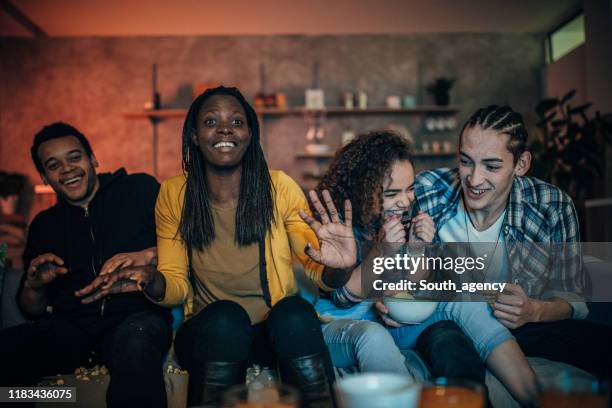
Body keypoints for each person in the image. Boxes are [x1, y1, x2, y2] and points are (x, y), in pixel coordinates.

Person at [80, 86, 357, 408]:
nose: (225, 128)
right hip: (208, 336)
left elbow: (318, 270)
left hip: (271, 336)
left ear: (250, 135)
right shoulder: (174, 194)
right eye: (211, 121)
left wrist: (340, 267)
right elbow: (176, 286)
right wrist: (150, 279)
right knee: (227, 317)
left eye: (236, 122)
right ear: (195, 136)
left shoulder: (279, 187)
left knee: (295, 311)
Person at [379, 105, 612, 381]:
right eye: (466, 161)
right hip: (446, 322)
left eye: (491, 166)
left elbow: (573, 296)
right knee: (449, 349)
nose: (474, 180)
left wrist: (533, 310)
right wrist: (385, 295)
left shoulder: (552, 206)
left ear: (521, 164)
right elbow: (387, 254)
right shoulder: (426, 190)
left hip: (521, 326)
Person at [315, 130, 538, 406]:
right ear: (362, 191)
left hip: (389, 324)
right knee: (373, 335)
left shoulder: (391, 219)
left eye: (410, 189)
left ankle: (535, 397)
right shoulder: (340, 226)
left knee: (466, 300)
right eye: (392, 193)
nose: (406, 201)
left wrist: (419, 246)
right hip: (343, 328)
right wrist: (382, 252)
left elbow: (410, 289)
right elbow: (342, 297)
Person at [0, 122, 173, 408]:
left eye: (75, 157)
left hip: (137, 318)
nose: (67, 168)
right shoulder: (44, 225)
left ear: (93, 160)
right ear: (44, 176)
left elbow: (185, 246)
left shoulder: (140, 190)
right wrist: (34, 285)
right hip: (72, 328)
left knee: (137, 346)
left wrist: (149, 254)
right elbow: (32, 309)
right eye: (53, 164)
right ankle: (62, 397)